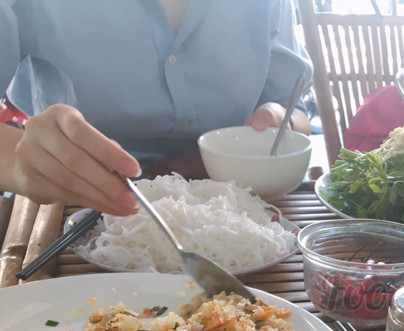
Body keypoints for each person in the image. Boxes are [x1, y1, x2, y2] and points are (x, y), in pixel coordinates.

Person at [0, 0, 312, 216]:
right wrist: (17, 164)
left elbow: (294, 111)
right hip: (78, 207)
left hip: (244, 210)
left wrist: (282, 125)